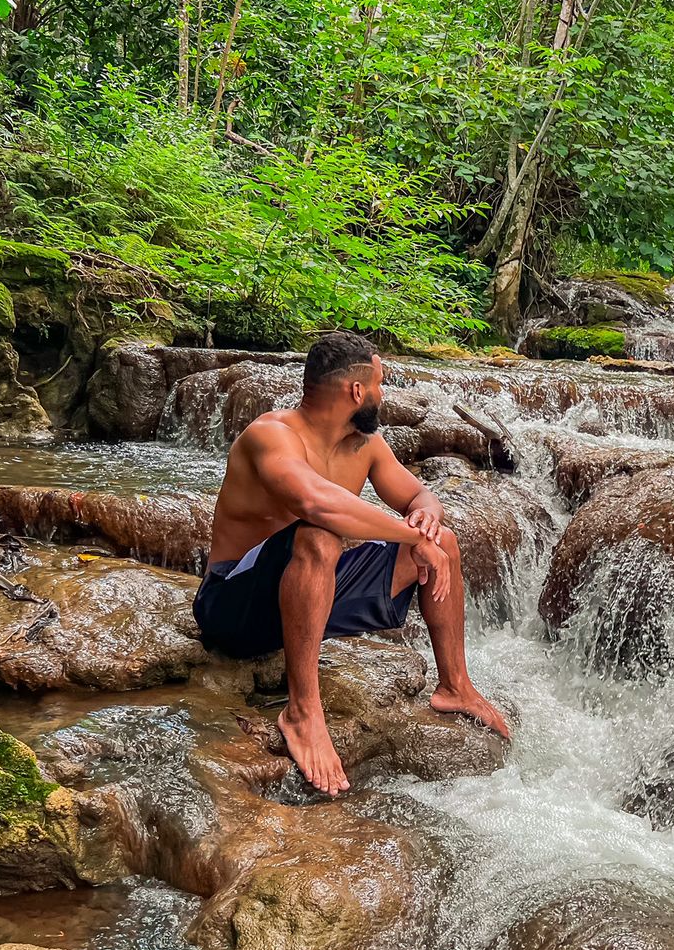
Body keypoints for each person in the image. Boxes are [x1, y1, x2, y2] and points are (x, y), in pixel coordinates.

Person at [194, 331, 510, 793]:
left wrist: (424, 521)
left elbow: (418, 494)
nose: (383, 396)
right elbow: (317, 502)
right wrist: (408, 535)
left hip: (305, 600)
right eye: (380, 386)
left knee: (445, 540)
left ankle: (455, 686)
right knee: (319, 535)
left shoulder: (365, 445)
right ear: (356, 391)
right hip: (233, 606)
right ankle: (302, 712)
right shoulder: (270, 435)